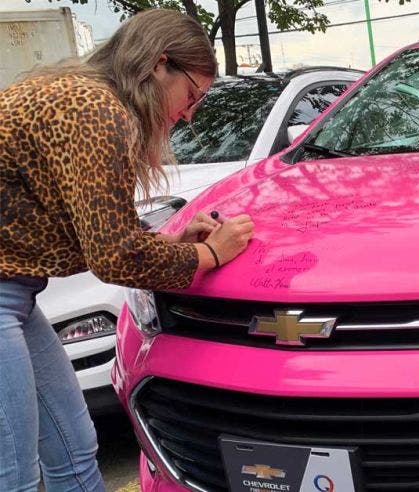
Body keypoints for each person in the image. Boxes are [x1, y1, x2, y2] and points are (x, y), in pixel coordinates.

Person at [0, 9, 253, 491]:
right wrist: (209, 256)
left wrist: (172, 244)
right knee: (11, 472)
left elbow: (94, 230)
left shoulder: (82, 96)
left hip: (16, 296)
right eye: (192, 94)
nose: (190, 113)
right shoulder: (96, 110)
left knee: (73, 451)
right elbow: (113, 256)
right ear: (159, 65)